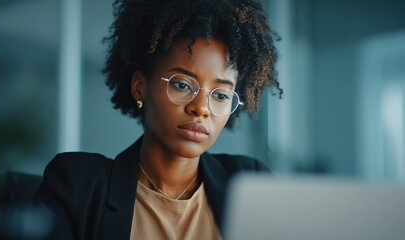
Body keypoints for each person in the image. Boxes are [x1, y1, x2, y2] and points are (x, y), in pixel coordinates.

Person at [35, 0, 282, 239]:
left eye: (220, 94)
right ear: (140, 87)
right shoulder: (79, 185)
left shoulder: (248, 182)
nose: (201, 109)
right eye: (182, 85)